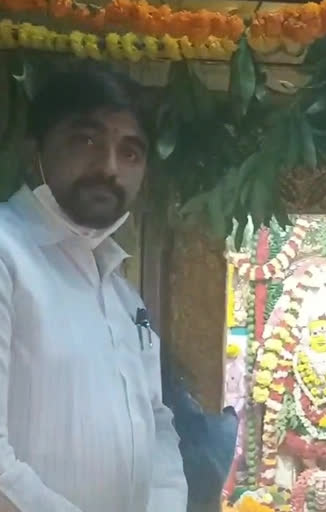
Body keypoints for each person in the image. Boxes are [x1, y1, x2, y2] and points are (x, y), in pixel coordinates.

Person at [0, 68, 187, 511]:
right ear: (35, 153)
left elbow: (157, 423)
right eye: (86, 141)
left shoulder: (122, 294)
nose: (108, 167)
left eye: (130, 152)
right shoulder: (8, 255)